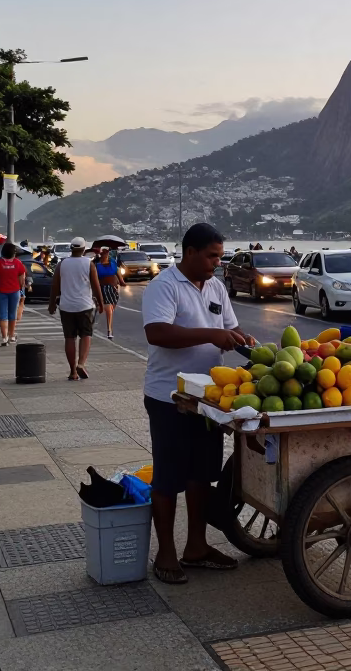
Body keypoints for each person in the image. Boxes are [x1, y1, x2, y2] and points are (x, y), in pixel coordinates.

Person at [142, 223, 254, 584]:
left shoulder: (217, 286)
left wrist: (241, 340)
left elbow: (228, 329)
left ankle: (196, 547)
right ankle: (166, 554)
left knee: (201, 475)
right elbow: (156, 333)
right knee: (168, 477)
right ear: (190, 252)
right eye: (211, 256)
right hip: (168, 397)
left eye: (220, 257)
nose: (216, 263)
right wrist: (211, 333)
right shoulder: (164, 285)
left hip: (207, 399)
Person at [48, 237, 104, 381]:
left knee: (69, 338)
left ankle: (73, 372)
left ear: (71, 248)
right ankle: (81, 363)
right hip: (85, 306)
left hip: (66, 306)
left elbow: (55, 285)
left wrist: (52, 304)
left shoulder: (62, 264)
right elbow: (96, 286)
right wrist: (101, 303)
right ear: (84, 249)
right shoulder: (89, 264)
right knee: (86, 335)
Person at [0, 243, 25, 346]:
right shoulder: (18, 263)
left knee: (2, 315)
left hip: (0, 292)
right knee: (12, 314)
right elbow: (22, 280)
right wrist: (22, 289)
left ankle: (4, 338)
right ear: (14, 253)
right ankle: (12, 336)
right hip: (14, 291)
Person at [95, 247, 126, 339]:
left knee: (111, 309)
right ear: (101, 255)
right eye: (104, 254)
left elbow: (118, 274)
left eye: (107, 254)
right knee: (108, 309)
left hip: (113, 289)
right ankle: (109, 330)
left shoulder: (112, 263)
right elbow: (94, 279)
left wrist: (122, 282)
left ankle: (99, 319)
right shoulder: (97, 265)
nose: (106, 256)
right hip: (103, 289)